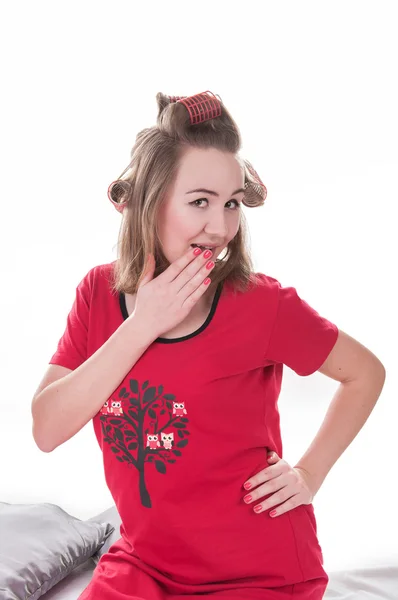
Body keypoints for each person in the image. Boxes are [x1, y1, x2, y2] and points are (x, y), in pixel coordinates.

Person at [31, 91, 386, 600]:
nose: (220, 228)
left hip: (259, 573)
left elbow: (365, 373)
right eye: (200, 201)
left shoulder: (262, 304)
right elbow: (47, 428)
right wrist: (143, 323)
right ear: (149, 201)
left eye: (232, 204)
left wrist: (310, 472)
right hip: (144, 564)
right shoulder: (97, 294)